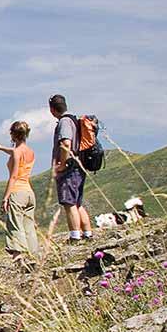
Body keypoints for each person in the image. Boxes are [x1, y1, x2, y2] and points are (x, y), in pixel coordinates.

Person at [0, 120, 38, 261]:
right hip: (29, 193)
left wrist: (5, 197)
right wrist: (0, 148)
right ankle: (33, 256)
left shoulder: (17, 153)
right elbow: (15, 151)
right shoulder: (30, 152)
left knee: (15, 225)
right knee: (28, 226)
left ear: (13, 134)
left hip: (17, 192)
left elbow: (13, 176)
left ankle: (18, 256)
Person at [49, 94, 93, 241]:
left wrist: (62, 164)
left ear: (52, 109)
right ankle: (87, 233)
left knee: (69, 203)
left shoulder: (64, 122)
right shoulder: (74, 120)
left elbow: (66, 143)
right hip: (78, 166)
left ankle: (75, 236)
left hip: (70, 167)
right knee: (77, 202)